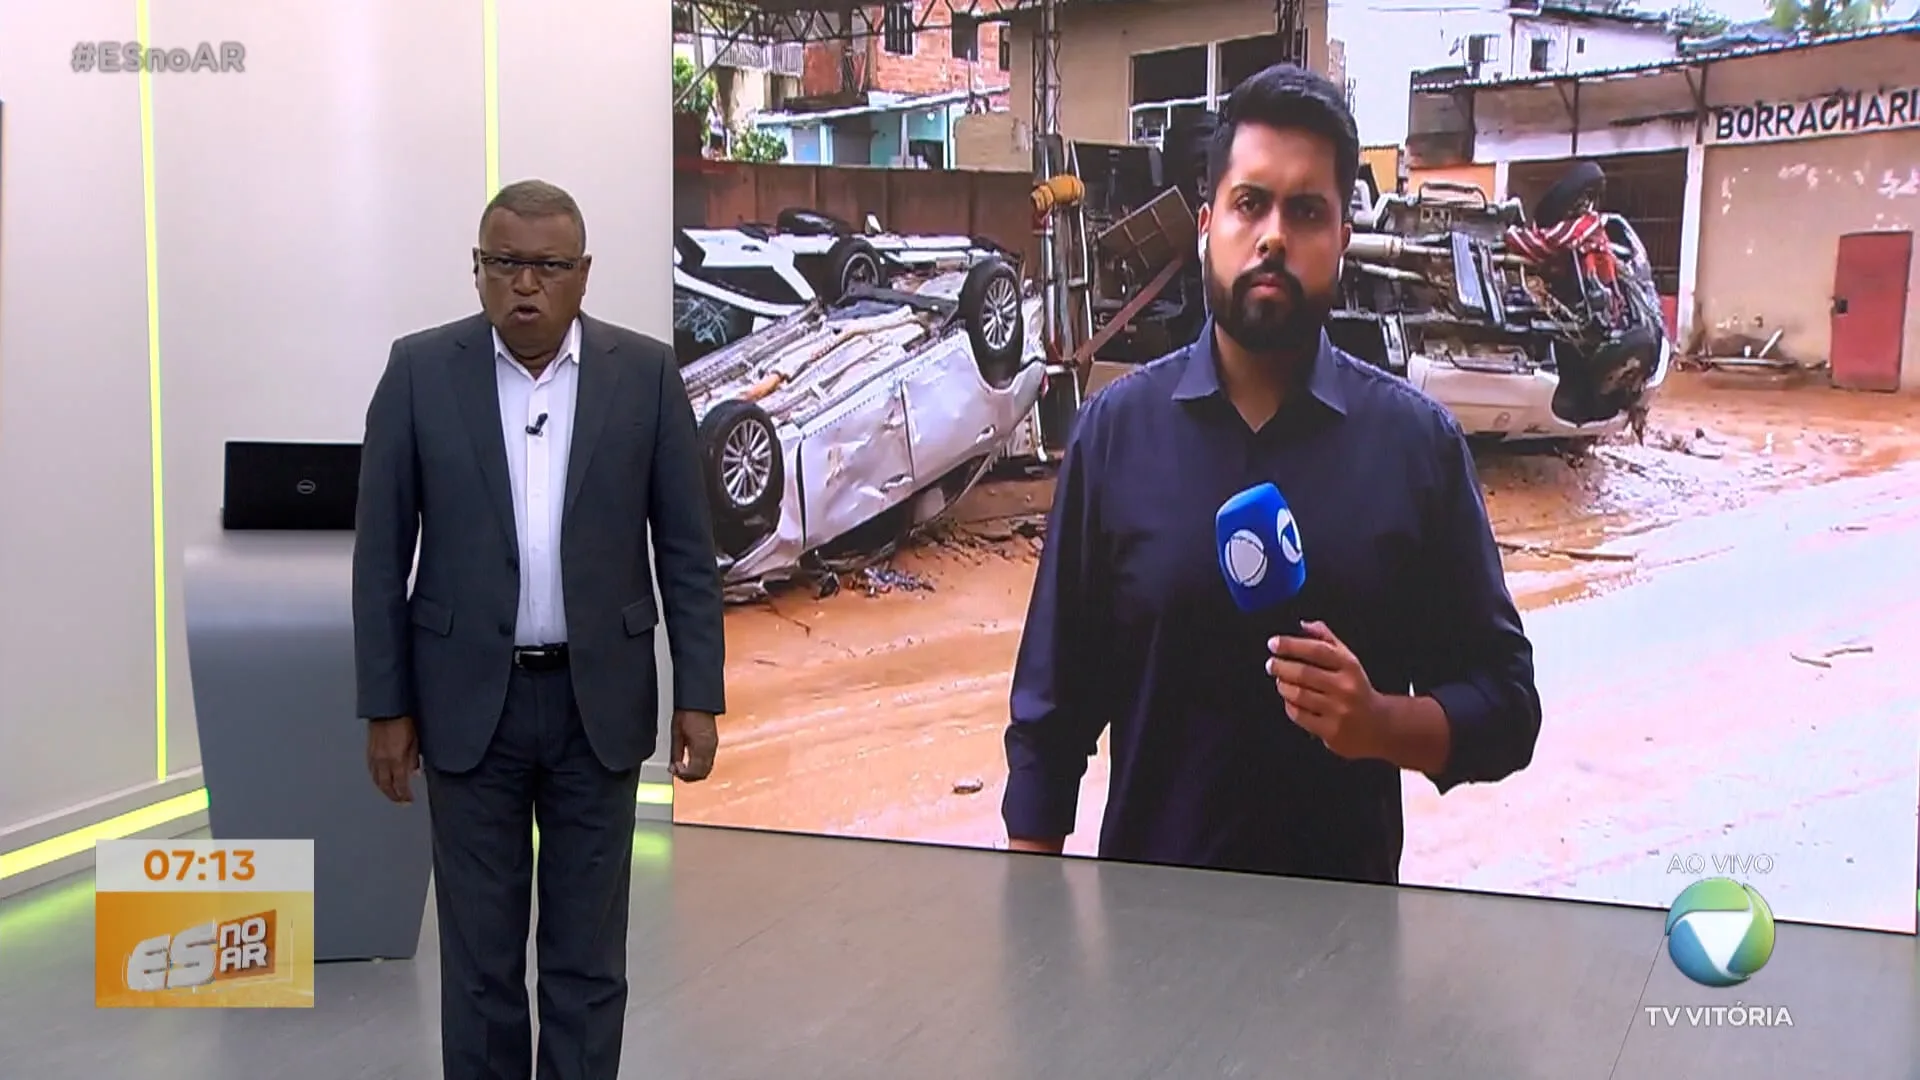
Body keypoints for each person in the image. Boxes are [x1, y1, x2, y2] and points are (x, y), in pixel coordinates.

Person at [1000, 65, 1542, 885]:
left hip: (1339, 961)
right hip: (1150, 953)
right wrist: (1030, 931)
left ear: (1342, 240)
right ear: (1205, 224)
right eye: (1250, 203)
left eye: (1307, 210)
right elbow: (1051, 712)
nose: (1274, 235)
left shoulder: (1414, 447)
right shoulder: (1118, 434)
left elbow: (1507, 709)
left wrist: (1380, 725)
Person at [352, 179, 726, 1079]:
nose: (527, 284)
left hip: (595, 706)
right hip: (464, 706)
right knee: (479, 967)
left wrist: (700, 695)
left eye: (549, 266)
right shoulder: (417, 371)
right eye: (506, 263)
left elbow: (686, 550)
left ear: (583, 275)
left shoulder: (644, 376)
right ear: (477, 271)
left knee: (588, 962)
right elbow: (380, 554)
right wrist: (385, 706)